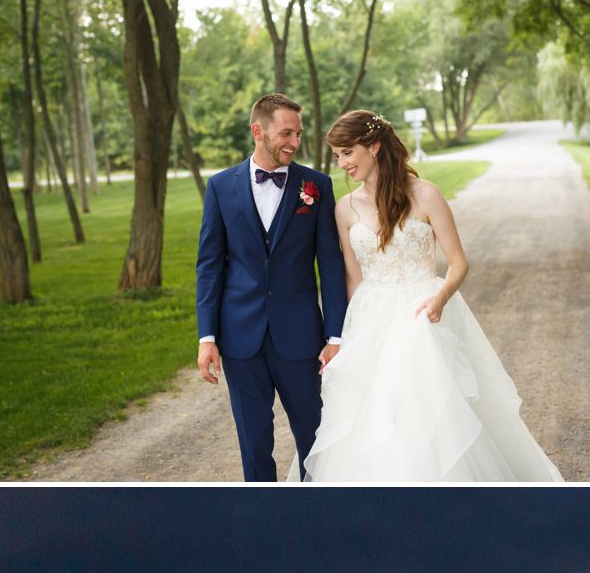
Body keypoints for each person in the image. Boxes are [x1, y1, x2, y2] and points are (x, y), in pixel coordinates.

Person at [287, 109, 563, 486]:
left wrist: (440, 297)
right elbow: (352, 278)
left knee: (427, 412)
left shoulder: (426, 195)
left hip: (422, 311)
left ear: (375, 147)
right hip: (371, 318)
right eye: (337, 156)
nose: (342, 163)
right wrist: (347, 336)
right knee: (372, 420)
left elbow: (458, 262)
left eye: (348, 152)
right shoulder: (344, 209)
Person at [195, 93, 346, 482]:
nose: (294, 142)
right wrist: (207, 337)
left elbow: (329, 264)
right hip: (240, 339)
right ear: (257, 131)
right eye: (286, 133)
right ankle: (263, 518)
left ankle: (320, 515)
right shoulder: (220, 187)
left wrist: (335, 335)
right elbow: (210, 266)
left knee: (314, 437)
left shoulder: (317, 185)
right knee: (253, 442)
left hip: (299, 335)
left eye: (297, 133)